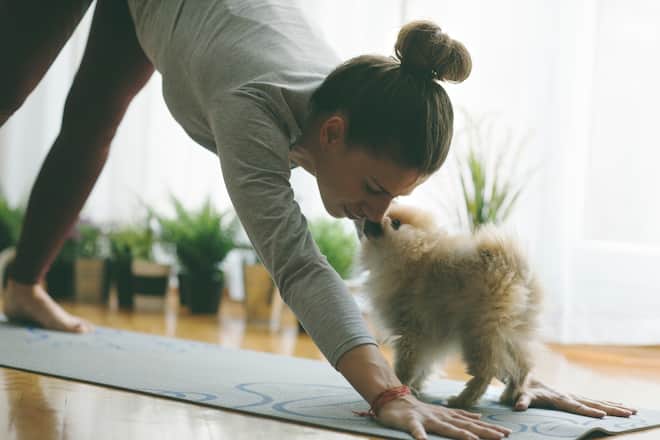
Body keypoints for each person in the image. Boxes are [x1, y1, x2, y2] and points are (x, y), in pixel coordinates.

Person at [0, 1, 636, 439]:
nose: (378, 213)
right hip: (210, 28)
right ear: (331, 133)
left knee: (93, 116)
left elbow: (472, 289)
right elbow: (297, 263)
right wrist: (387, 392)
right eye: (374, 188)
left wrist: (512, 365)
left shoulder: (360, 101)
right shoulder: (251, 108)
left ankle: (23, 286)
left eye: (395, 195)